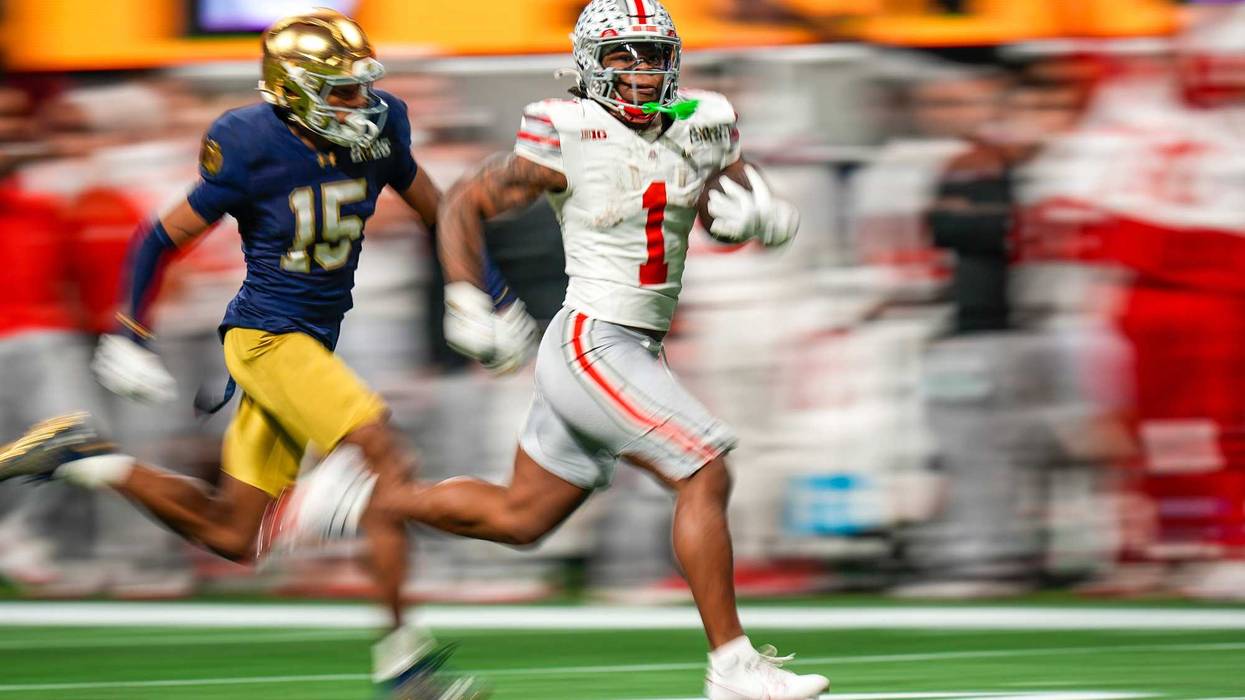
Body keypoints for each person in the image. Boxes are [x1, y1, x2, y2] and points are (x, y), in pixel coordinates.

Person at [283, 1, 827, 698]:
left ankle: (362, 497)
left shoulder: (703, 120)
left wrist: (761, 214)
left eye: (650, 54)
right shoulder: (567, 127)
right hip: (593, 340)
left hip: (632, 346)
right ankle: (733, 668)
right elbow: (461, 203)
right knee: (702, 467)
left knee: (521, 518)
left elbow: (718, 203)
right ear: (587, 65)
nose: (638, 71)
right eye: (621, 56)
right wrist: (465, 297)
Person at [0, 9, 506, 698]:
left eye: (361, 87)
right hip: (266, 339)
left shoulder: (382, 125)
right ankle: (403, 667)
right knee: (385, 453)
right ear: (293, 90)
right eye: (341, 90)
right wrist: (129, 331)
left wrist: (483, 293)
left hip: (311, 340)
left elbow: (439, 209)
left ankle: (85, 458)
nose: (361, 102)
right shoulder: (248, 143)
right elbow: (160, 236)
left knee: (235, 534)